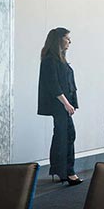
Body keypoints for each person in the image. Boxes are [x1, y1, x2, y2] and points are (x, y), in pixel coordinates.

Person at [37, 27, 81, 186]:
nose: (70, 41)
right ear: (59, 39)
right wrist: (67, 104)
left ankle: (59, 170)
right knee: (66, 135)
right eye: (67, 38)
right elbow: (54, 85)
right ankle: (68, 172)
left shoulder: (60, 58)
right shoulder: (50, 59)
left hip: (64, 105)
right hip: (59, 105)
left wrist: (71, 103)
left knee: (63, 135)